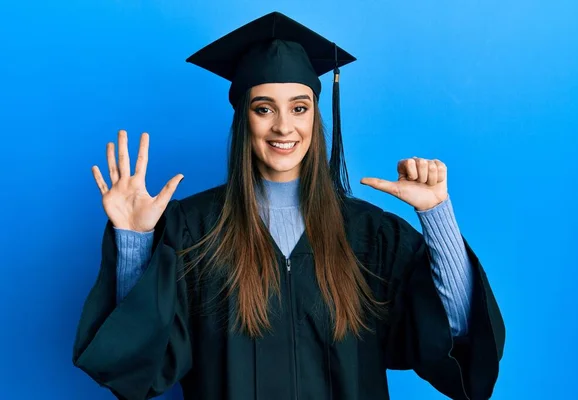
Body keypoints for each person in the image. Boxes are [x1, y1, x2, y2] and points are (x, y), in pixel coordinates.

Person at [72, 11, 505, 400]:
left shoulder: (369, 235)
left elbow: (454, 333)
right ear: (245, 118)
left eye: (299, 108)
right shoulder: (194, 229)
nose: (284, 126)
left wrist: (437, 217)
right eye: (264, 108)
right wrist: (134, 243)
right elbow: (140, 367)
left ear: (315, 117)